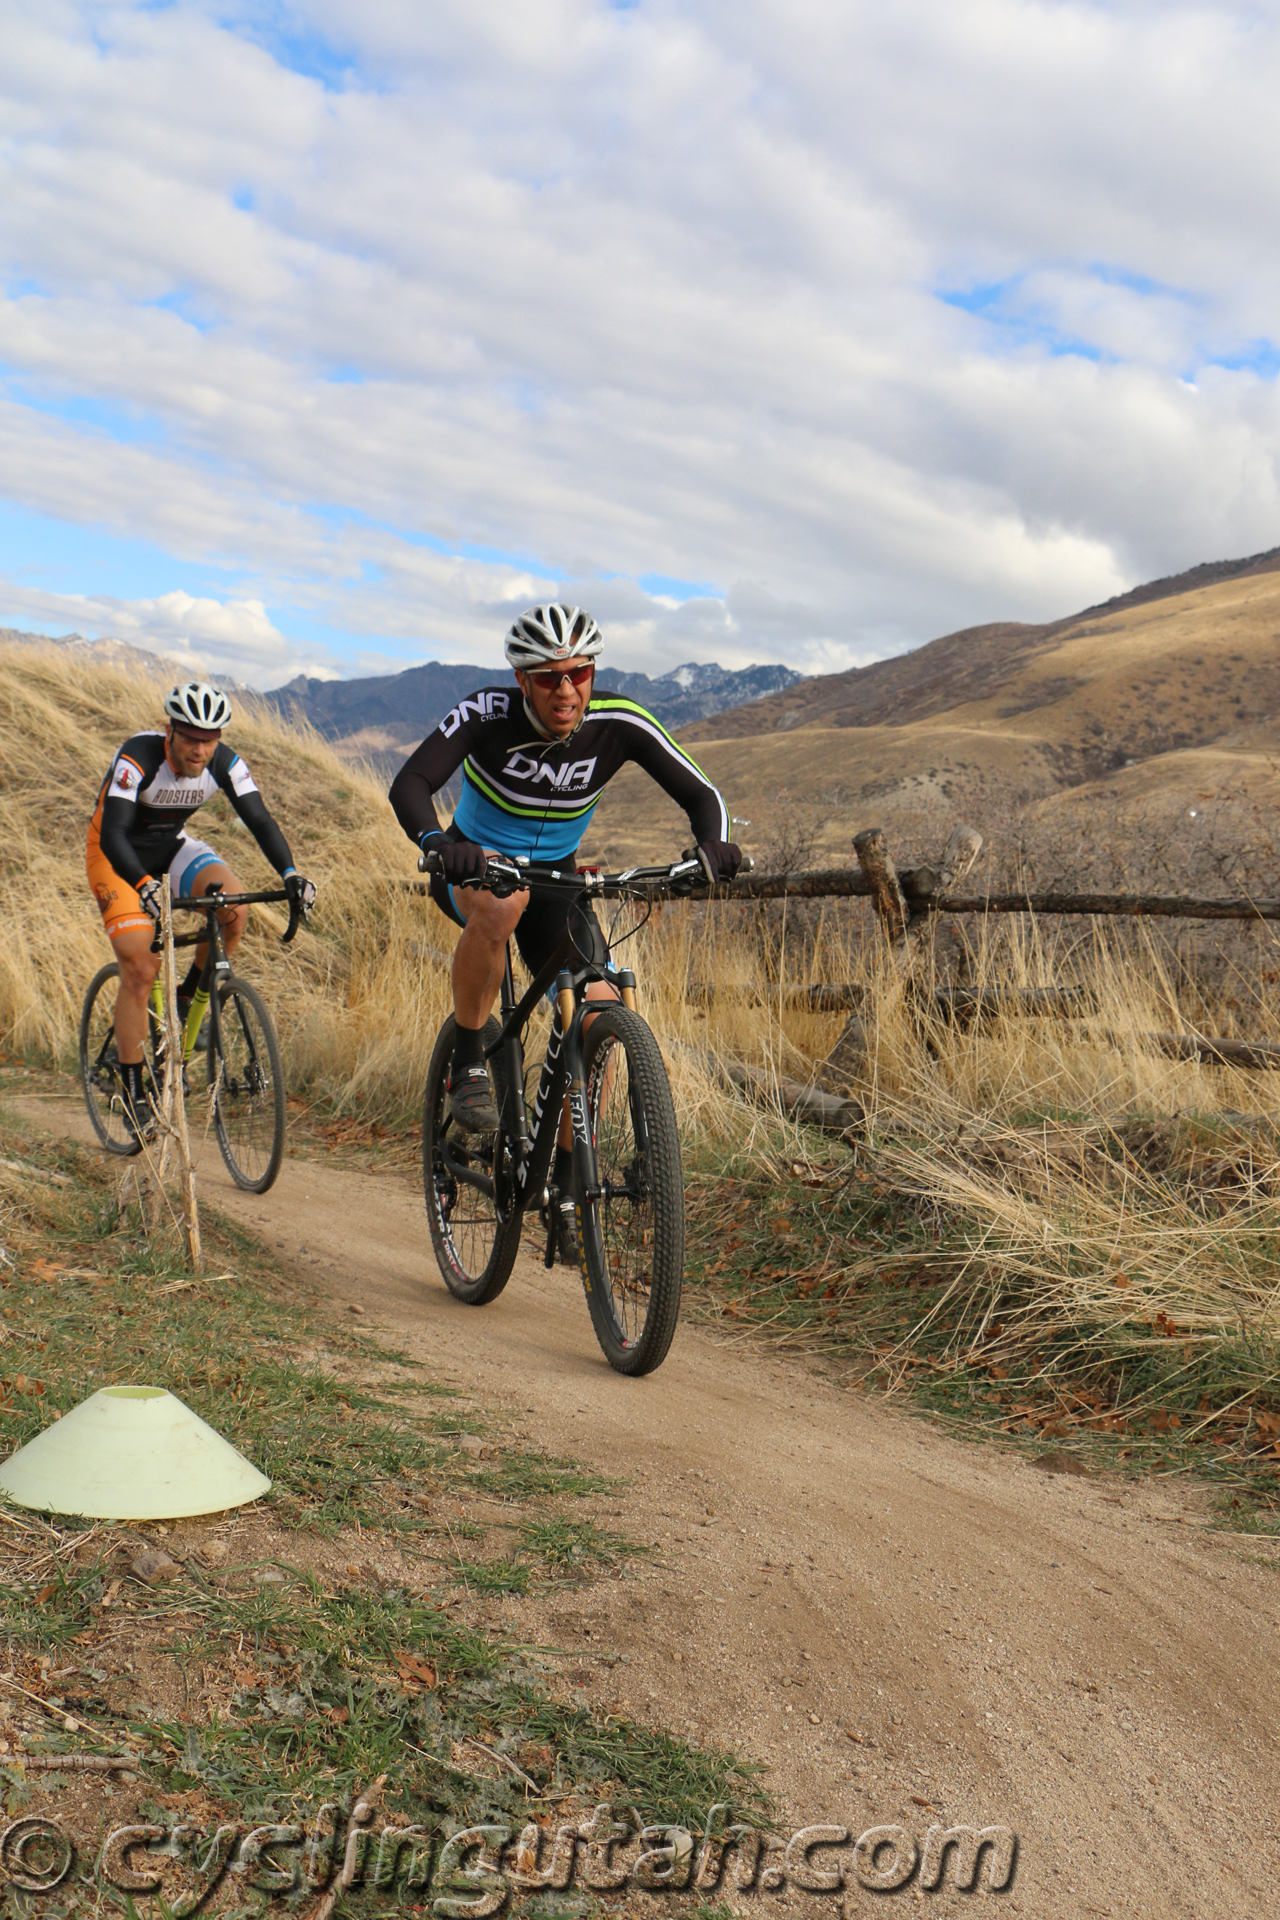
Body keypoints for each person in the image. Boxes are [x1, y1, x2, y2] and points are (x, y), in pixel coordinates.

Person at [389, 603, 741, 1257]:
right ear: (523, 681)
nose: (566, 689)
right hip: (474, 864)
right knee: (501, 907)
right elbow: (410, 782)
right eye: (548, 677)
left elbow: (702, 794)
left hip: (556, 881)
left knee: (598, 1008)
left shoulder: (619, 722)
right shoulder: (485, 715)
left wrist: (712, 846)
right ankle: (469, 1058)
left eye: (579, 673)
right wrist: (439, 840)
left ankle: (564, 1181)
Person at [86, 680, 316, 1144]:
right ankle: (133, 1091)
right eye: (190, 736)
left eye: (209, 739)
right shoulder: (138, 757)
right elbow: (113, 835)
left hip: (170, 847)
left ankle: (188, 995)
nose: (200, 748)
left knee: (233, 910)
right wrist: (144, 885)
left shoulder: (226, 764)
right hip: (116, 855)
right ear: (169, 730)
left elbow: (260, 820)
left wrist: (291, 873)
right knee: (141, 965)